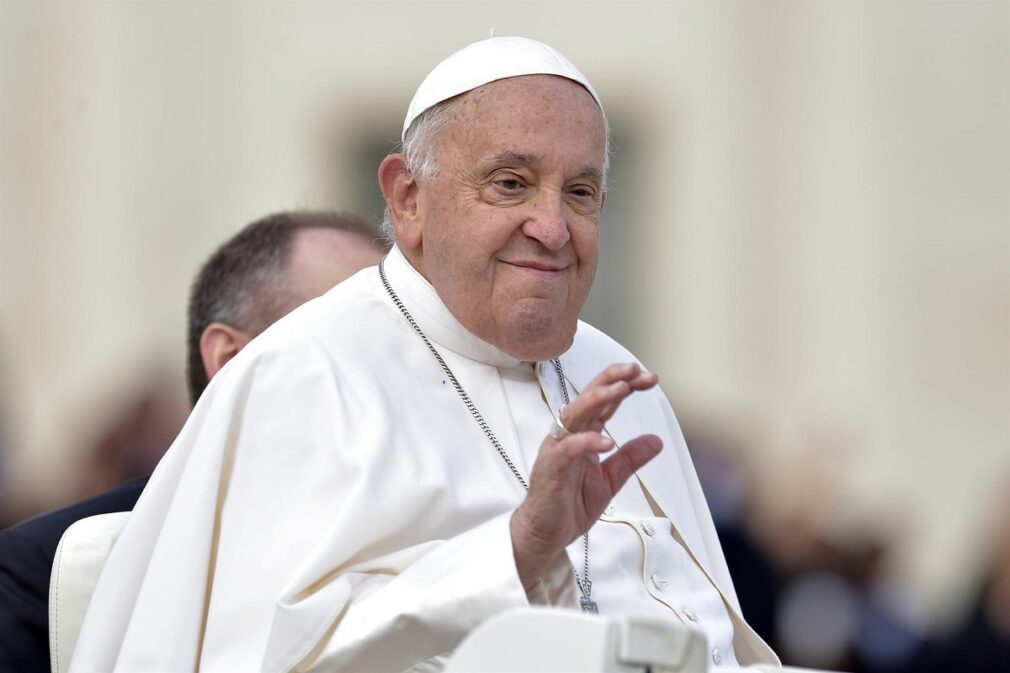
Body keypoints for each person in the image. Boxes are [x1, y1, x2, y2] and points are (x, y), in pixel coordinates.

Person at [71, 37, 780, 672]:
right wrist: (517, 549)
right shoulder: (300, 375)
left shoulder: (620, 379)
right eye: (511, 183)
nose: (553, 227)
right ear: (408, 198)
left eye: (581, 192)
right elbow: (264, 657)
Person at [0, 210, 386, 673]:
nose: (393, 379)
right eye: (356, 343)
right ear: (232, 361)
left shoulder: (442, 544)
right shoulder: (45, 576)